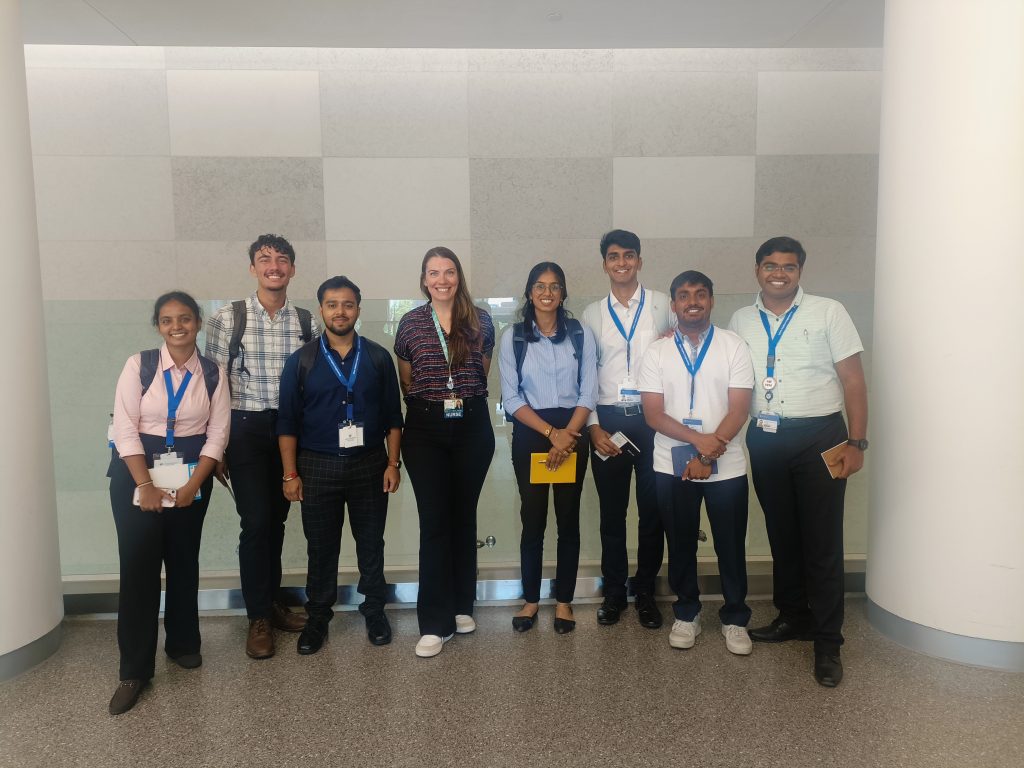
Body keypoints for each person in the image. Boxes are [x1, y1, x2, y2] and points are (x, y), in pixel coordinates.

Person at [727, 236, 868, 687]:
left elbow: (854, 381)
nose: (779, 273)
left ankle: (828, 641)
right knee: (782, 533)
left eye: (788, 266)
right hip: (766, 438)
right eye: (770, 265)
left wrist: (857, 443)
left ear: (800, 271)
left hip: (821, 437)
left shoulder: (829, 312)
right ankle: (793, 617)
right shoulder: (741, 319)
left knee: (822, 540)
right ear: (757, 270)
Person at [107, 291, 230, 715]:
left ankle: (183, 643)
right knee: (139, 566)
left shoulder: (213, 372)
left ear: (197, 322)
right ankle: (134, 669)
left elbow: (218, 433)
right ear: (158, 326)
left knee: (183, 559)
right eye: (166, 320)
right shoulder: (138, 366)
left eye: (184, 318)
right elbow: (124, 429)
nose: (176, 326)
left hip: (191, 477)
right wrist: (145, 485)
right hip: (137, 476)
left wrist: (196, 484)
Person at [205, 234, 319, 659]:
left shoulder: (308, 322)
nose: (274, 266)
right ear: (252, 268)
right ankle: (257, 617)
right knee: (255, 522)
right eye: (264, 259)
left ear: (293, 269)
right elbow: (213, 386)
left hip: (293, 432)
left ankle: (272, 605)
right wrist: (214, 449)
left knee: (277, 520)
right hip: (246, 429)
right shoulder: (227, 318)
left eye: (282, 259)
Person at [277, 276, 403, 653]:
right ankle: (317, 617)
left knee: (370, 544)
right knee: (321, 546)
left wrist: (393, 463)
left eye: (348, 304)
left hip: (369, 464)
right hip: (316, 467)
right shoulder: (302, 361)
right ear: (322, 310)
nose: (340, 311)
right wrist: (290, 474)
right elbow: (287, 423)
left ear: (358, 310)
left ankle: (375, 609)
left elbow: (394, 418)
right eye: (332, 304)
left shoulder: (378, 357)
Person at [638, 271, 754, 654]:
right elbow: (653, 414)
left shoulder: (733, 345)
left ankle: (735, 618)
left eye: (701, 294)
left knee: (730, 545)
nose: (693, 301)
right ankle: (687, 613)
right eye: (684, 295)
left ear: (711, 300)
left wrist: (708, 451)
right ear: (673, 305)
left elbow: (740, 408)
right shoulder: (656, 351)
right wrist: (698, 444)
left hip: (728, 465)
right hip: (670, 465)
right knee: (681, 542)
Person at [394, 247, 496, 658]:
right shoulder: (411, 322)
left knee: (463, 517)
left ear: (459, 277)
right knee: (435, 522)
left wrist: (457, 395)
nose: (442, 280)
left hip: (472, 425)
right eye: (433, 273)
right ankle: (434, 622)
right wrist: (436, 401)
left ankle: (460, 606)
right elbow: (407, 380)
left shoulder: (481, 320)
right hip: (425, 429)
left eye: (449, 271)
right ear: (423, 279)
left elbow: (481, 372)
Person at [499, 262, 598, 634]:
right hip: (531, 431)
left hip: (573, 431)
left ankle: (564, 602)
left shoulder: (581, 333)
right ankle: (530, 600)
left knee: (568, 518)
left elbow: (589, 391)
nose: (547, 293)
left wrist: (566, 435)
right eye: (539, 286)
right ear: (529, 292)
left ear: (563, 293)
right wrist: (549, 433)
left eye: (555, 286)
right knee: (533, 519)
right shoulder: (514, 338)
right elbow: (510, 398)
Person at [581, 230, 672, 628]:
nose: (622, 262)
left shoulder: (663, 305)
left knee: (652, 512)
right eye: (613, 256)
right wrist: (592, 427)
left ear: (639, 261)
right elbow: (584, 377)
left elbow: (679, 357)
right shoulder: (591, 314)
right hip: (609, 422)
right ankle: (615, 592)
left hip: (654, 421)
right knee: (612, 513)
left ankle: (647, 592)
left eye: (629, 255)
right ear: (604, 263)